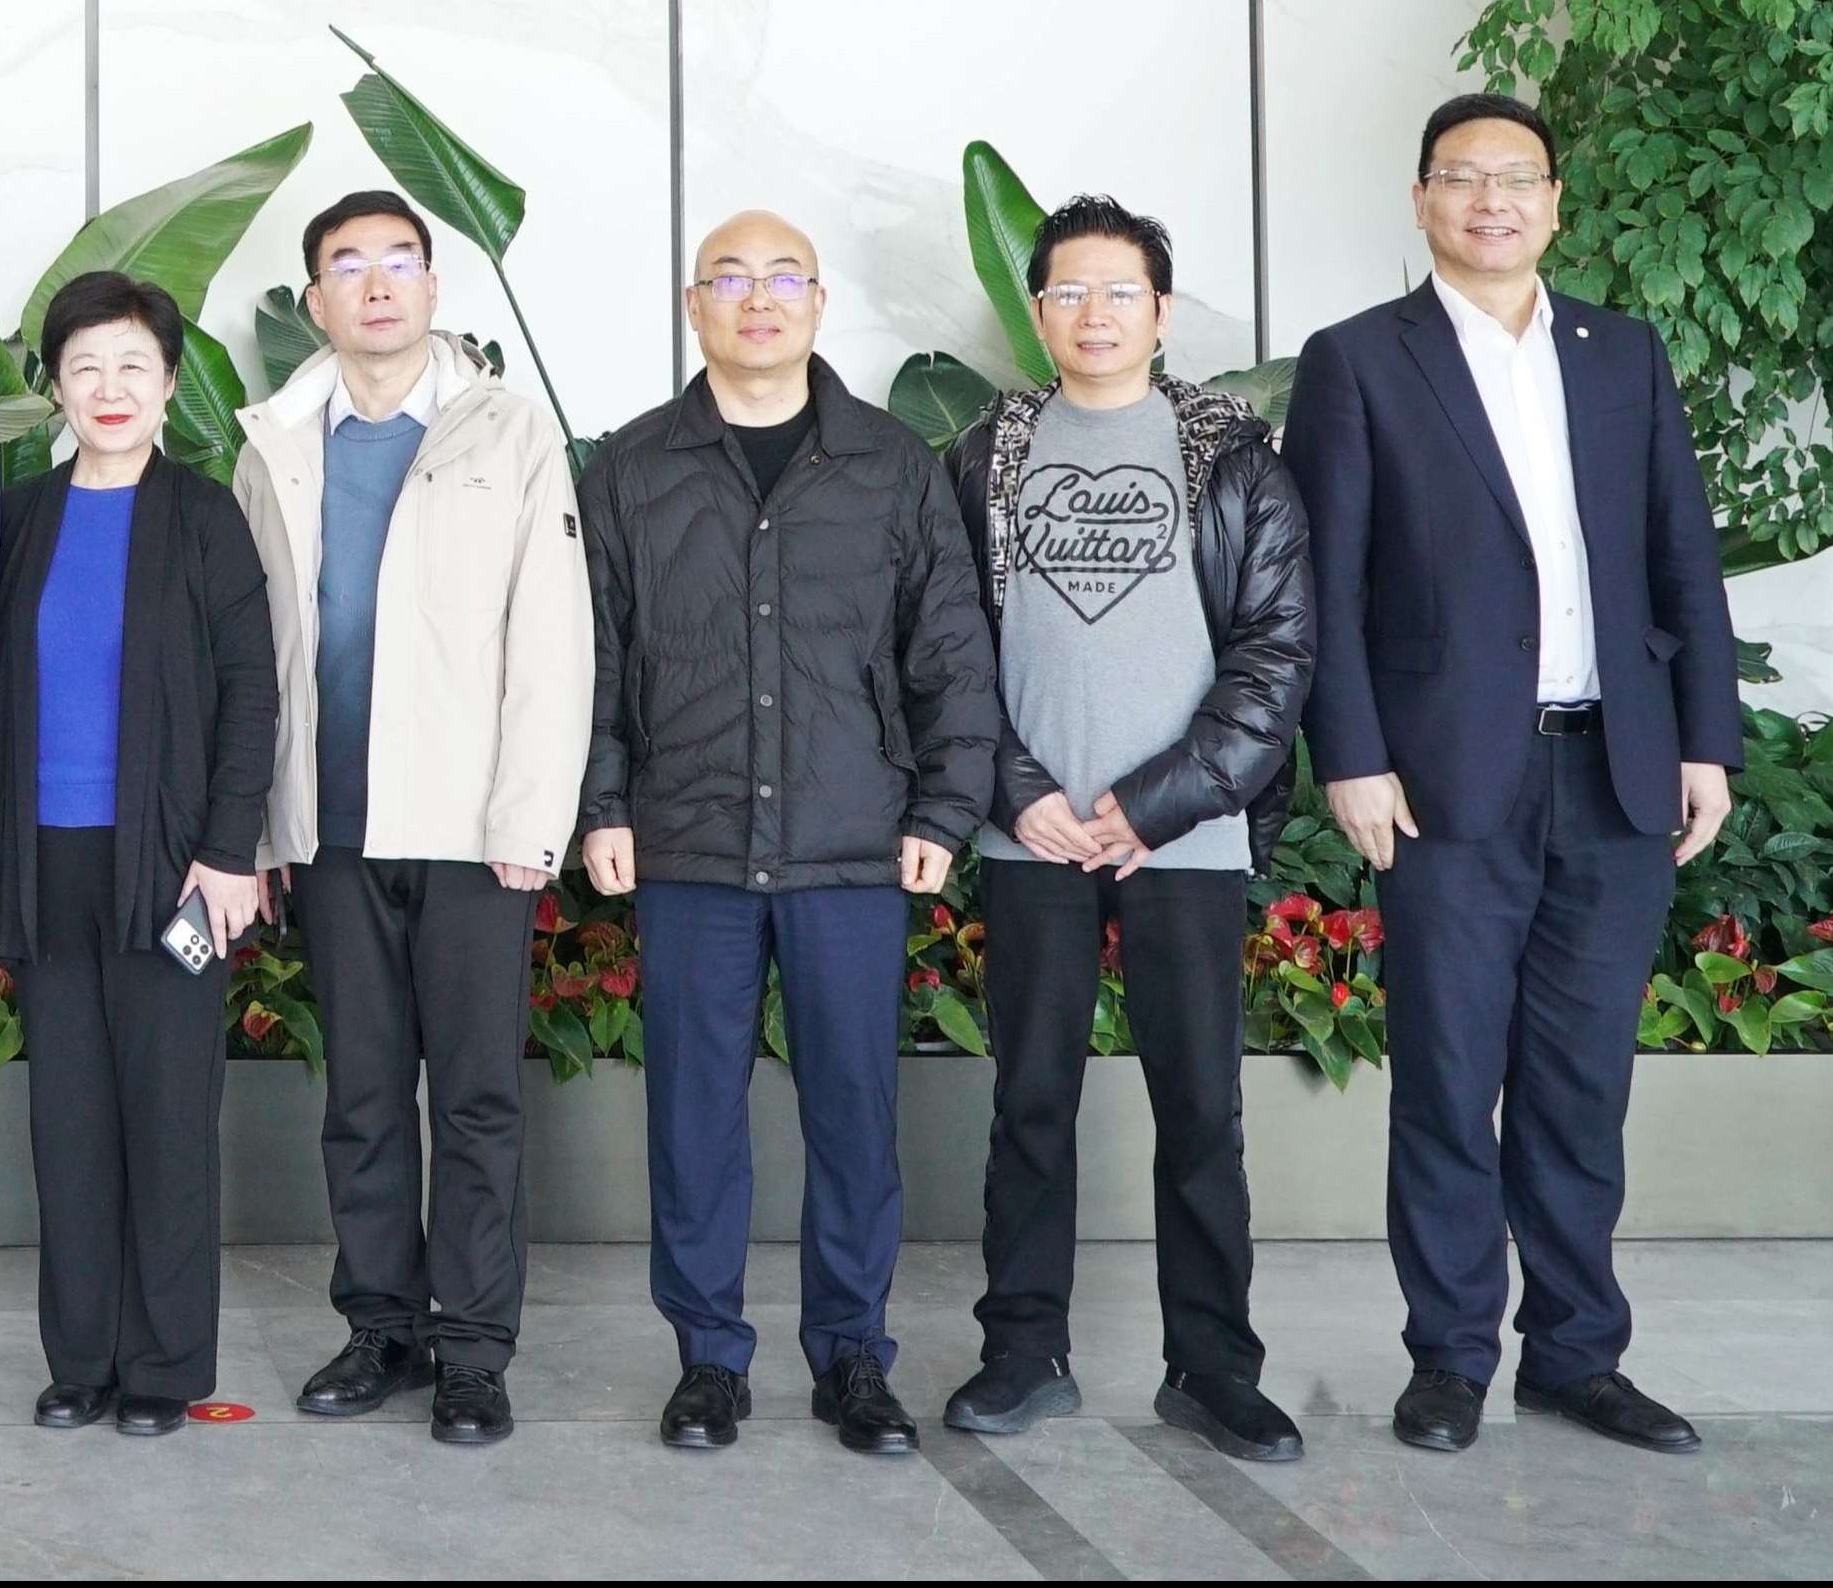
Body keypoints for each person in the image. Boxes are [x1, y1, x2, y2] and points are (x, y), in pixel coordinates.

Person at [1288, 92, 1742, 1457]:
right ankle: (1448, 1358)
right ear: (1422, 200)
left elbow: (1681, 556)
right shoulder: (1359, 360)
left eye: (1517, 178)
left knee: (1581, 1082)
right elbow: (1323, 584)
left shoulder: (1621, 353)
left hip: (1615, 772)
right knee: (1445, 1078)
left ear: (1554, 200)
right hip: (1443, 782)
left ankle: (1576, 1355)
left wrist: (1705, 739)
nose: (1491, 201)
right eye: (1462, 177)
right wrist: (1351, 755)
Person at [579, 210, 994, 1458]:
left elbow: (949, 646)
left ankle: (853, 1354)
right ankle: (708, 1358)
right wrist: (601, 803)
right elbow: (590, 654)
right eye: (729, 277)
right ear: (691, 303)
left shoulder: (891, 463)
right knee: (692, 1115)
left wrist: (944, 807)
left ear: (816, 302)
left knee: (854, 1112)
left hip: (850, 840)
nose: (756, 299)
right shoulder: (633, 467)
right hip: (688, 839)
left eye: (781, 277)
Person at [937, 197, 1310, 1463]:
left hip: (1181, 839)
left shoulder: (1236, 458)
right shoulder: (981, 457)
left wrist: (1158, 803)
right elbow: (942, 649)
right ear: (1036, 310)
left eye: (1117, 292)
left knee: (1199, 1109)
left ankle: (1212, 1368)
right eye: (1067, 293)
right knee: (1030, 1102)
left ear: (1159, 310)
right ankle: (1020, 1351)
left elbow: (1276, 655)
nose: (1092, 314)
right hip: (1032, 836)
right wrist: (1014, 790)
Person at [232, 191, 593, 1450]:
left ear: (433, 287)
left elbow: (552, 637)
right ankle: (380, 1324)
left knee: (479, 1096)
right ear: (316, 301)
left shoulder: (509, 430)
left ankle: (474, 1347)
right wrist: (260, 828)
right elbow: (256, 654)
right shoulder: (275, 442)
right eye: (349, 265)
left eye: (400, 261)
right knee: (364, 1093)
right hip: (330, 827)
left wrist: (529, 817)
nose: (377, 284)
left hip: (469, 827)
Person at [0, 271, 277, 1439]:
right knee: (70, 1120)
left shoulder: (203, 516)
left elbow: (251, 692)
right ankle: (80, 1359)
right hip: (45, 862)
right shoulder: (21, 518)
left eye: (132, 365)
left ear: (169, 384)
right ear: (53, 385)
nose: (109, 387)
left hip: (176, 871)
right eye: (84, 365)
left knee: (168, 1116)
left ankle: (161, 1365)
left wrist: (229, 850)